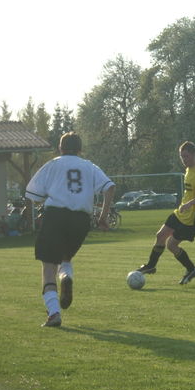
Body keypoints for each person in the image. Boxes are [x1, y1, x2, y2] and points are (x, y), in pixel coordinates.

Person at [25, 132, 115, 327]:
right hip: (81, 220)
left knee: (48, 267)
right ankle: (66, 276)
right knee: (65, 258)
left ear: (60, 148)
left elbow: (33, 194)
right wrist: (103, 217)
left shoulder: (53, 164)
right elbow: (109, 187)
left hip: (56, 216)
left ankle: (54, 313)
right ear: (80, 149)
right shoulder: (89, 166)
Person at [137, 141, 195, 284]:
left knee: (171, 245)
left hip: (192, 219)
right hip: (180, 213)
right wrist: (184, 205)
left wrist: (190, 203)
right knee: (160, 235)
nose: (184, 160)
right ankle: (151, 266)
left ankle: (191, 269)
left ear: (193, 154)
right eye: (182, 157)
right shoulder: (188, 170)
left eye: (186, 156)